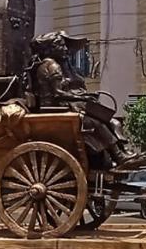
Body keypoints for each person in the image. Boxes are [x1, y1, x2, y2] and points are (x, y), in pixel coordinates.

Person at [27, 31, 126, 166]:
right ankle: (118, 155)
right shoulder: (51, 66)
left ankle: (120, 152)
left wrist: (84, 96)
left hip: (64, 106)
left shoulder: (57, 65)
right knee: (96, 123)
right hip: (56, 108)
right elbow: (58, 94)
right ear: (50, 49)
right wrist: (82, 97)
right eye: (61, 46)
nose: (65, 49)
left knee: (112, 121)